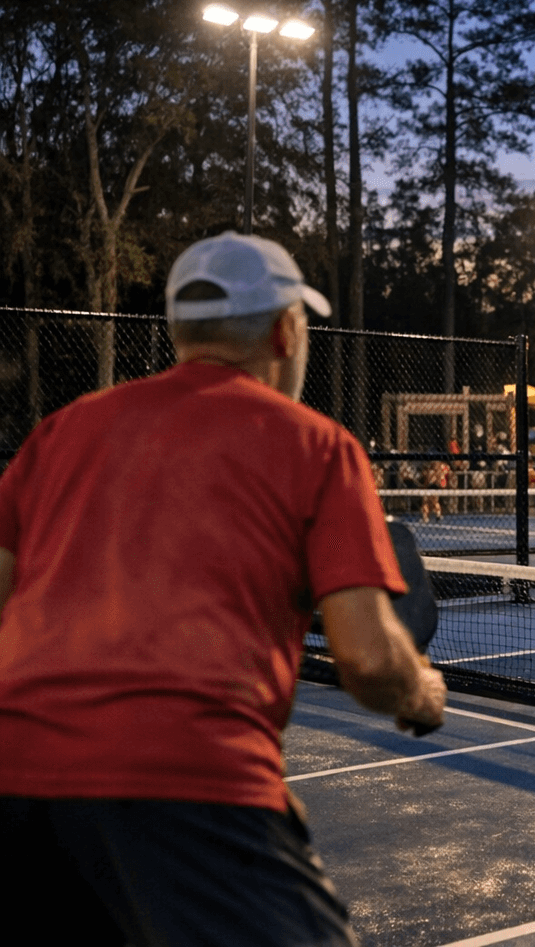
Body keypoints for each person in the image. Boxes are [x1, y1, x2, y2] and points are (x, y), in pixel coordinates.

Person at [0, 231, 445, 945]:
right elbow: (366, 659)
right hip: (190, 786)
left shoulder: (59, 434)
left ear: (183, 332)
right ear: (285, 330)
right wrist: (420, 692)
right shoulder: (318, 447)